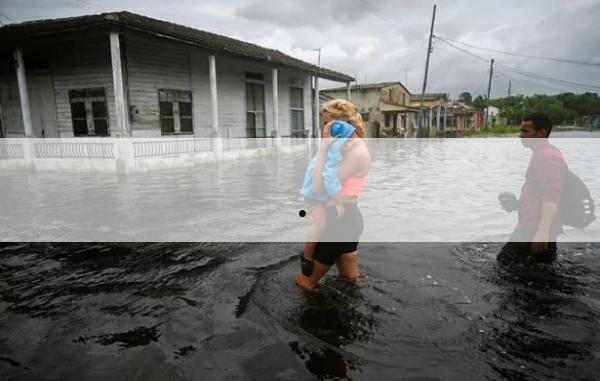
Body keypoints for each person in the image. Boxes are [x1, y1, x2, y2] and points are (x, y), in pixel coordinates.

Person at [296, 99, 371, 290]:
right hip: (345, 220)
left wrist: (323, 147)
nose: (326, 128)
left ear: (341, 122)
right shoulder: (345, 146)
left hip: (339, 224)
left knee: (304, 284)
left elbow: (320, 186)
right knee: (351, 280)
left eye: (328, 122)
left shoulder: (356, 150)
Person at [498, 112, 566, 263]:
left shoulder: (547, 156)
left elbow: (551, 196)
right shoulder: (542, 154)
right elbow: (541, 193)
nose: (520, 136)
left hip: (533, 228)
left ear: (541, 133)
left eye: (525, 131)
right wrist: (518, 204)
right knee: (540, 273)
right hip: (534, 225)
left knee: (503, 264)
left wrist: (542, 232)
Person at [299, 119, 357, 277]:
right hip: (313, 197)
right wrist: (338, 201)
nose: (351, 145)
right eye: (348, 142)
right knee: (321, 225)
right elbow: (329, 180)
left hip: (316, 195)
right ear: (338, 143)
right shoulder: (332, 158)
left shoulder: (330, 152)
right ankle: (307, 257)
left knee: (323, 226)